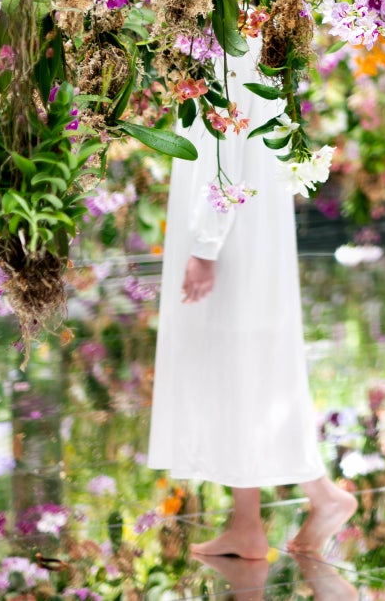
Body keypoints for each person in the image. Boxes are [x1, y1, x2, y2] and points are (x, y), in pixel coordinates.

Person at [147, 45, 357, 557]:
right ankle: (248, 522)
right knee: (239, 367)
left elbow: (230, 148)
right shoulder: (235, 32)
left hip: (230, 234)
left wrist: (206, 245)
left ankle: (317, 494)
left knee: (238, 362)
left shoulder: (231, 38)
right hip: (238, 228)